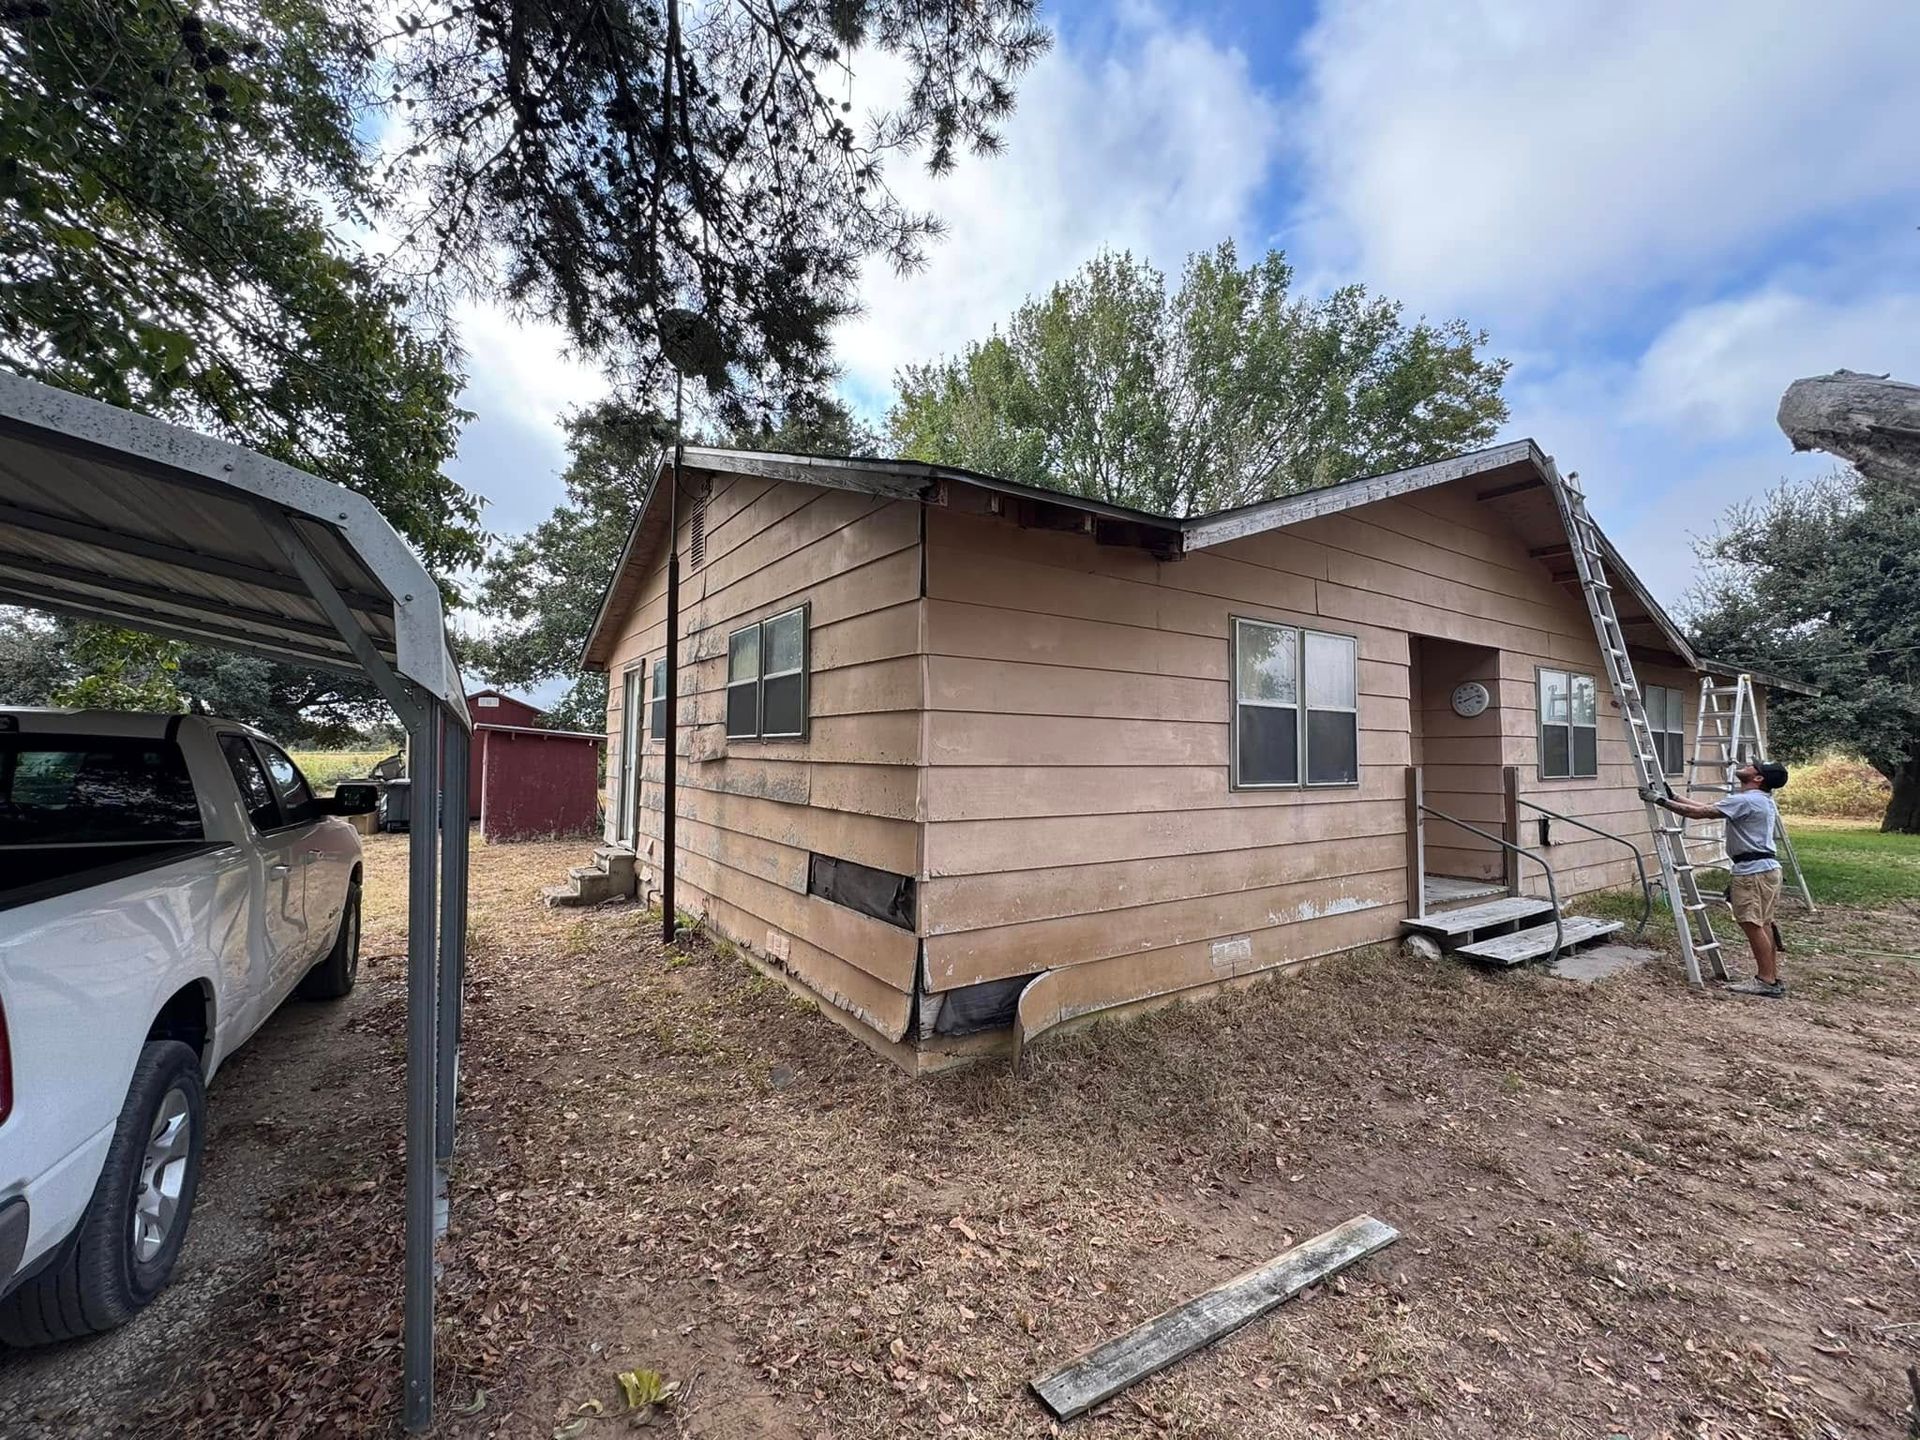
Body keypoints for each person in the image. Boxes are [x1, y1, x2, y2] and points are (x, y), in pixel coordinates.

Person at [1641, 761, 1791, 997]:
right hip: (1765, 868)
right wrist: (1673, 796)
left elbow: (1699, 813)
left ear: (1759, 778)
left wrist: (1659, 801)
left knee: (1751, 924)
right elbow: (1707, 807)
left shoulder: (1747, 800)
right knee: (1763, 923)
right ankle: (1770, 977)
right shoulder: (1758, 800)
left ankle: (1766, 980)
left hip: (1753, 872)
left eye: (1754, 767)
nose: (1748, 765)